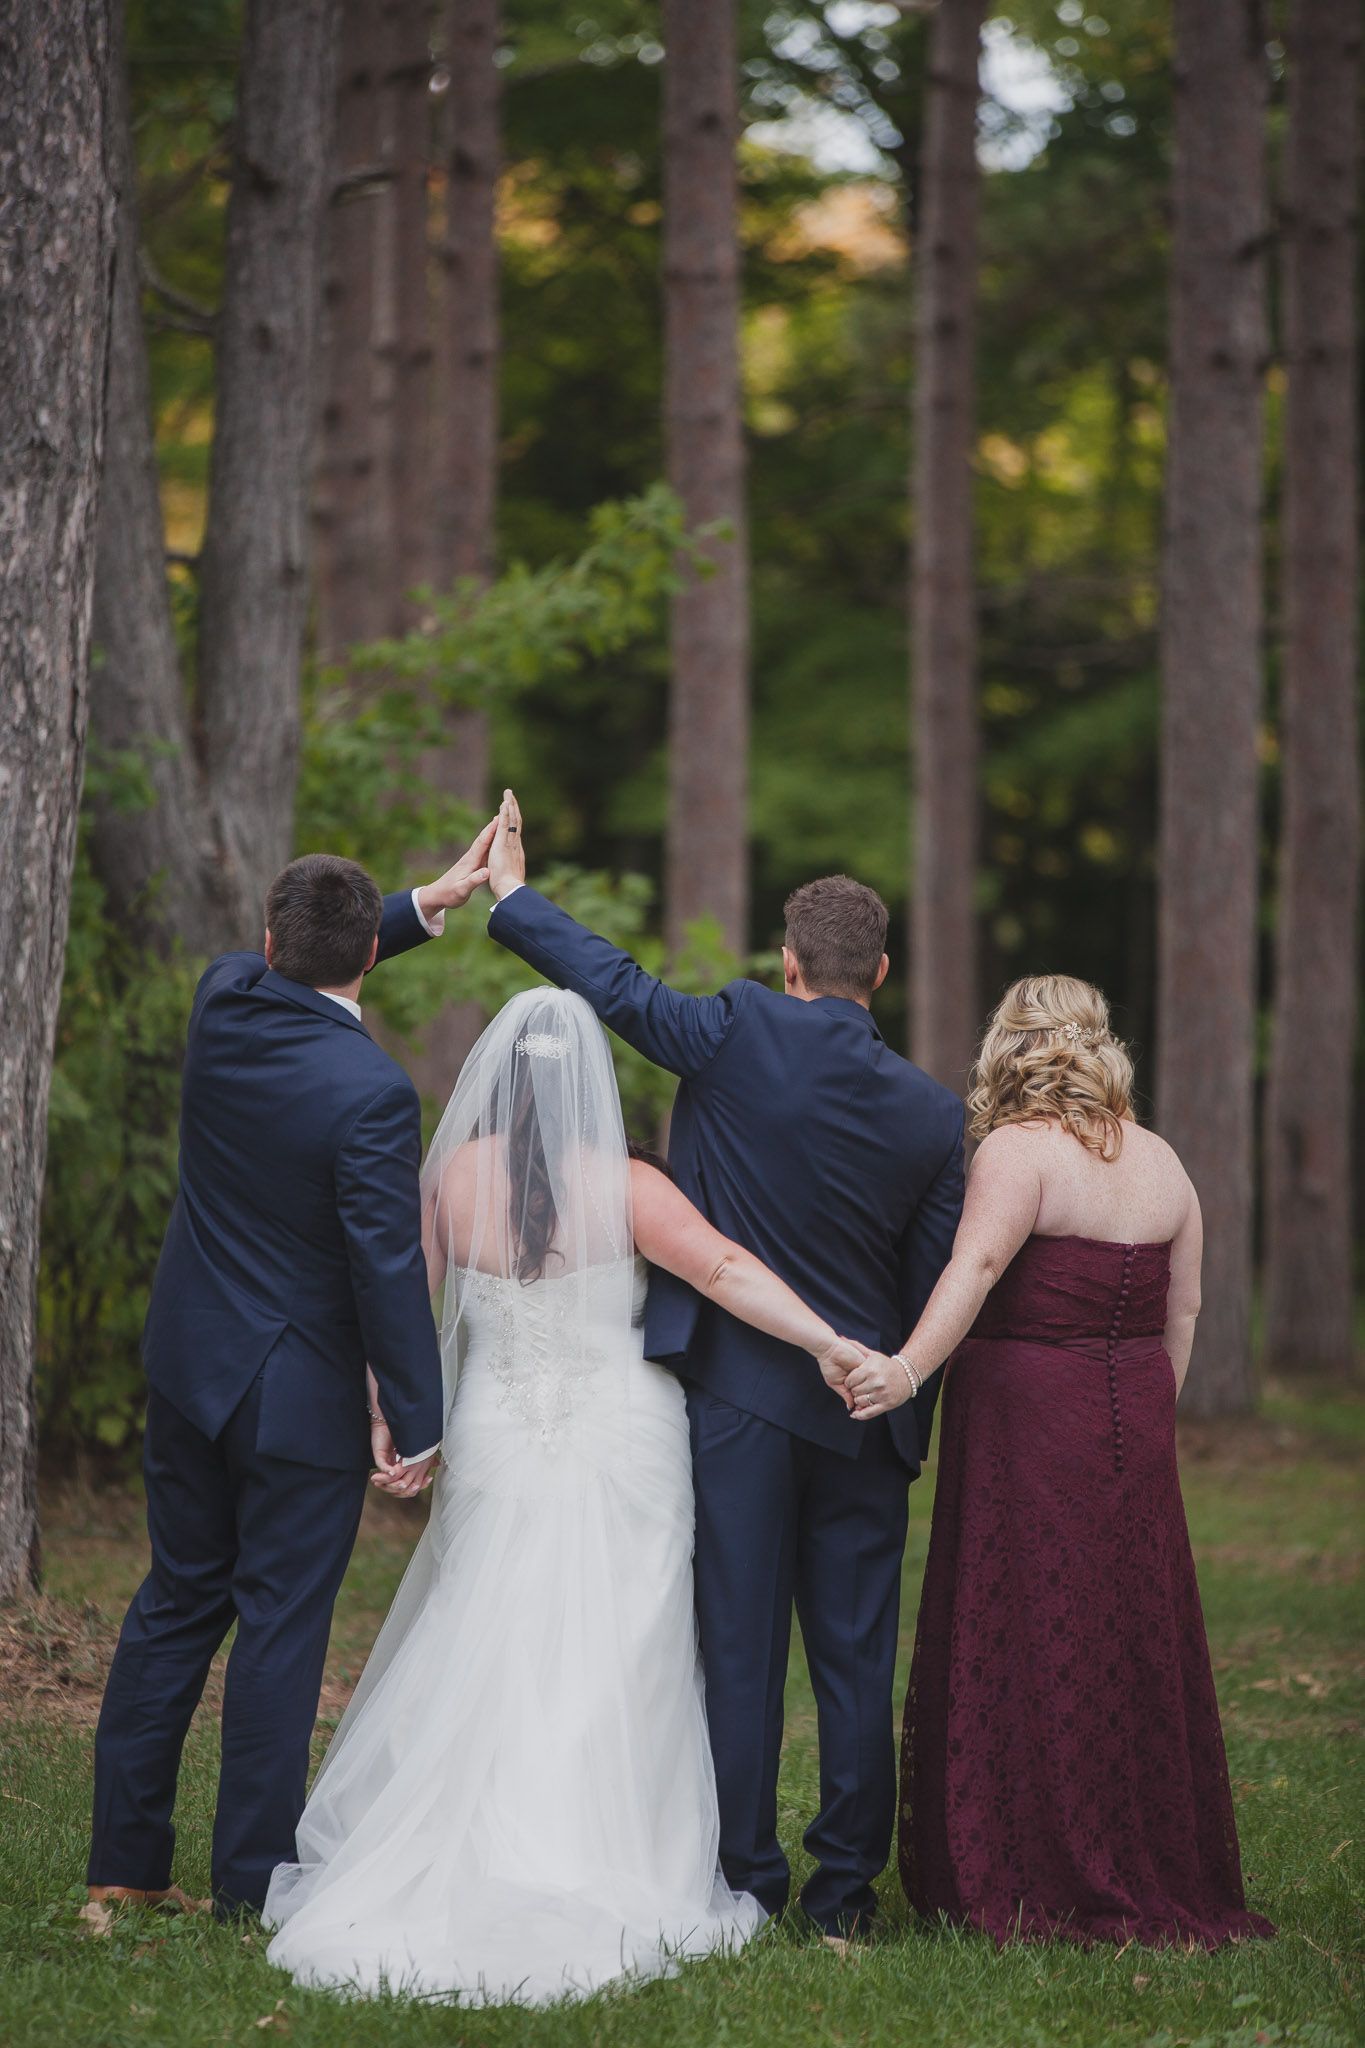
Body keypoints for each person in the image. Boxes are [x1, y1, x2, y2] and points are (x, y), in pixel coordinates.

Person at [264, 987, 874, 2002]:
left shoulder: (454, 1175)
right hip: (624, 1437)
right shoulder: (629, 1184)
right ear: (594, 1083)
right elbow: (723, 1268)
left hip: (498, 1430)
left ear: (496, 1084)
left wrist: (391, 1410)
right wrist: (827, 1340)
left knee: (493, 1625)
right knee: (619, 1638)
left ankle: (487, 1831)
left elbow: (397, 1300)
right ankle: (608, 1842)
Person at [482, 791, 965, 1939]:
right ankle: (843, 1897)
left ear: (789, 962)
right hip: (866, 1414)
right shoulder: (936, 1114)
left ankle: (747, 1878)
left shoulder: (734, 1027)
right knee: (854, 1664)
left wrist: (511, 893)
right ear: (880, 972)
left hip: (741, 1401)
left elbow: (614, 984)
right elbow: (938, 1279)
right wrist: (893, 1384)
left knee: (739, 1647)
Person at [87, 829, 499, 1920]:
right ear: (366, 957)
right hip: (296, 1398)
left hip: (188, 1366)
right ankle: (248, 1882)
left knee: (175, 1602)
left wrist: (424, 900)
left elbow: (309, 959)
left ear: (268, 941)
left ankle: (120, 1870)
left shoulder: (221, 1002)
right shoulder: (371, 1089)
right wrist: (415, 1416)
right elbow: (383, 1264)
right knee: (277, 1628)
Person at [845, 976, 1276, 1948]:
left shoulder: (1016, 1149)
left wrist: (909, 1367)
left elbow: (978, 1267)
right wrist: (1146, 1410)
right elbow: (1187, 1311)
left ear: (1011, 1046)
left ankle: (1028, 1862)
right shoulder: (1163, 1160)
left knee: (1027, 1620)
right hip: (1132, 1414)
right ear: (1099, 1044)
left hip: (1025, 1418)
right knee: (1126, 1629)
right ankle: (1145, 1851)